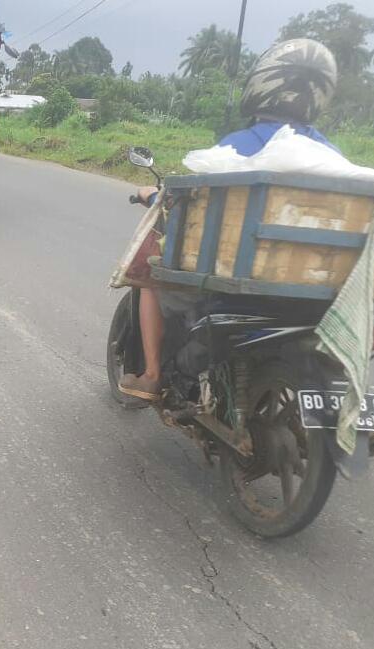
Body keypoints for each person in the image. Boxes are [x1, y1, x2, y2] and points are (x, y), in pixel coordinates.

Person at [119, 38, 339, 401]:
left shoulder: (241, 145)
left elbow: (191, 206)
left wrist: (155, 195)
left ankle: (153, 374)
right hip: (321, 291)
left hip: (241, 286)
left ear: (263, 85)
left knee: (149, 280)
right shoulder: (330, 155)